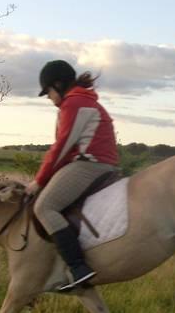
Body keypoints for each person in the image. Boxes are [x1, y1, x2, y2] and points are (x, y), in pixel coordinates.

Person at [26, 60, 119, 290]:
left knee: (44, 207)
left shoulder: (74, 102)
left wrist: (38, 181)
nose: (48, 97)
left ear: (58, 84)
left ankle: (78, 267)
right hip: (95, 163)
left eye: (48, 91)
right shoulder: (81, 101)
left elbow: (60, 148)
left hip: (90, 165)